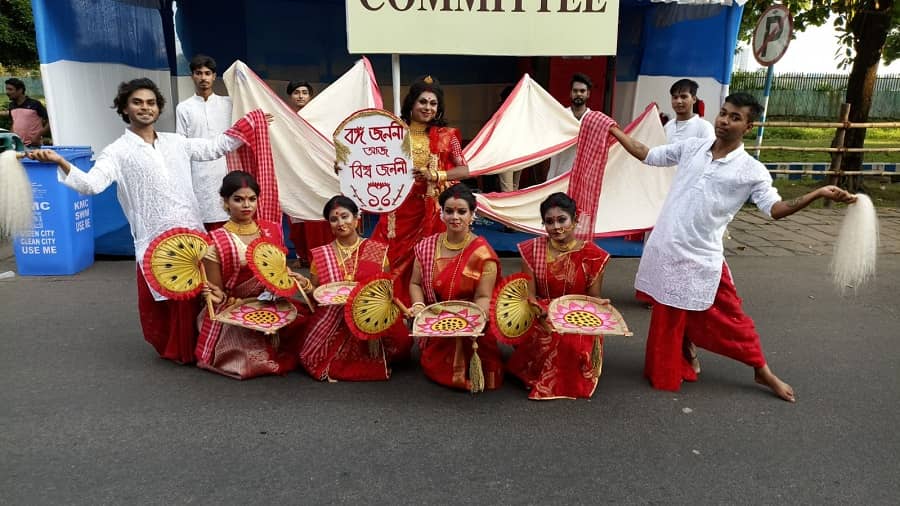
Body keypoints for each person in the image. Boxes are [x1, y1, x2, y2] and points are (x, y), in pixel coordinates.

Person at [608, 92, 857, 402]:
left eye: (735, 117)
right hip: (667, 246)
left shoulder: (751, 170)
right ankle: (682, 354)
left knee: (732, 320)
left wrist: (815, 193)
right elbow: (647, 154)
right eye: (723, 113)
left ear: (749, 126)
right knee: (669, 313)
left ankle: (761, 369)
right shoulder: (694, 147)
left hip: (703, 256)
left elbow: (775, 209)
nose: (724, 120)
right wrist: (613, 129)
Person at [27, 78, 251, 364]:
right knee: (171, 301)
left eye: (151, 102)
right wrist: (60, 162)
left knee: (203, 293)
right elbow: (91, 185)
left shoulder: (176, 142)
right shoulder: (117, 151)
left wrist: (250, 122)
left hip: (192, 233)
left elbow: (214, 147)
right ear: (124, 108)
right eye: (137, 102)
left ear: (158, 108)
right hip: (156, 241)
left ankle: (209, 346)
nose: (145, 108)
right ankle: (181, 351)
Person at [370, 75, 471, 304]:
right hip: (396, 208)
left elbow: (464, 170)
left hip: (429, 210)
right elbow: (371, 160)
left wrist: (435, 175)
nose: (427, 107)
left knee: (428, 257)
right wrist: (349, 168)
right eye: (422, 102)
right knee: (382, 253)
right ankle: (383, 301)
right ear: (412, 103)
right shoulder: (393, 132)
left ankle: (422, 304)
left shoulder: (448, 136)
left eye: (433, 103)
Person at [196, 171, 307, 379]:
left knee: (307, 328)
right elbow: (218, 292)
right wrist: (214, 296)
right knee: (250, 360)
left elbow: (278, 273)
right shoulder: (216, 241)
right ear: (226, 202)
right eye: (238, 199)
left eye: (251, 199)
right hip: (234, 308)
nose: (246, 205)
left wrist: (290, 280)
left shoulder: (271, 230)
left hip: (271, 303)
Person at [506, 192, 611, 400]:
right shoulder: (532, 250)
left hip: (578, 314)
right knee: (548, 333)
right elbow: (530, 296)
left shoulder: (594, 255)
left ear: (575, 220)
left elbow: (591, 299)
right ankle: (537, 375)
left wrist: (600, 305)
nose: (556, 227)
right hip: (542, 312)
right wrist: (542, 312)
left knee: (569, 338)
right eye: (549, 222)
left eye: (562, 219)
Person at [297, 196, 412, 381]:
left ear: (356, 218)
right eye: (334, 219)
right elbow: (317, 296)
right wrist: (307, 286)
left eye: (345, 216)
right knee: (312, 355)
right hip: (334, 318)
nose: (340, 223)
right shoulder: (321, 254)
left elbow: (386, 290)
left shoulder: (376, 249)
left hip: (368, 318)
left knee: (402, 342)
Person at [409, 184, 503, 392]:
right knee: (437, 367)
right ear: (441, 213)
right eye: (449, 211)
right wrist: (417, 305)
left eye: (462, 211)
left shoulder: (482, 254)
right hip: (436, 320)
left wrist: (473, 322)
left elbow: (484, 296)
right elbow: (415, 283)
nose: (455, 217)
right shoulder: (426, 246)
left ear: (472, 215)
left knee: (482, 369)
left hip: (470, 321)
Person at [175, 54, 234, 231]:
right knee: (200, 219)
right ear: (192, 76)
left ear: (214, 76)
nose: (203, 78)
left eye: (207, 73)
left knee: (228, 216)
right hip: (197, 172)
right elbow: (181, 144)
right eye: (198, 73)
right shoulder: (184, 107)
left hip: (225, 168)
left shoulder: (228, 103)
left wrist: (260, 117)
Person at [546, 73, 592, 180]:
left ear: (588, 94)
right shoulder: (561, 116)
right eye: (575, 91)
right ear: (570, 93)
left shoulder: (593, 119)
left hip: (584, 178)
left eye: (582, 91)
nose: (578, 94)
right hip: (560, 175)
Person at [664, 79, 714, 143]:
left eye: (683, 97)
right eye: (675, 97)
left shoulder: (704, 127)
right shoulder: (668, 126)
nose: (678, 101)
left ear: (694, 99)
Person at [4, 78, 50, 147]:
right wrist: (11, 138)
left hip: (34, 146)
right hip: (18, 146)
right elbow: (14, 123)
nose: (7, 92)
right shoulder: (11, 106)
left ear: (20, 90)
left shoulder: (35, 104)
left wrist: (38, 135)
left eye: (10, 89)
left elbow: (50, 121)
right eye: (7, 89)